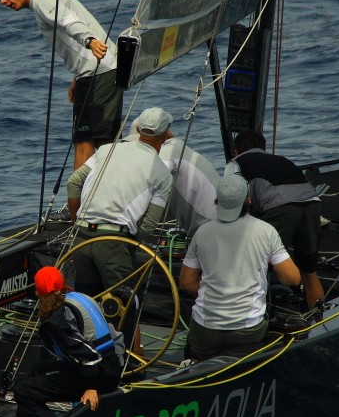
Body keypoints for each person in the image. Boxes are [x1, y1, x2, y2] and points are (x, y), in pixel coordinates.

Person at [0, 0, 124, 170]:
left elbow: (69, 21)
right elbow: (70, 39)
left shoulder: (43, 0)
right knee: (106, 142)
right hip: (99, 71)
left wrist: (90, 41)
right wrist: (76, 79)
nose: (3, 1)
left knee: (84, 142)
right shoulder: (44, 1)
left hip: (98, 73)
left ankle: (81, 202)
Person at [179, 173, 301, 363]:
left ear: (218, 201)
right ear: (248, 200)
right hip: (247, 329)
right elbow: (292, 278)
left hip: (205, 328)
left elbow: (186, 283)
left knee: (198, 362)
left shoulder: (201, 233)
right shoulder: (266, 231)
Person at [0, 266, 125, 417]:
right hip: (110, 364)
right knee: (37, 369)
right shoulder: (81, 298)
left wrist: (91, 387)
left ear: (37, 291)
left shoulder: (56, 322)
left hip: (96, 374)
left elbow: (88, 356)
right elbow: (112, 334)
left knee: (23, 391)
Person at [66, 107, 173, 299]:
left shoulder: (107, 149)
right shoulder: (163, 173)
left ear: (139, 129)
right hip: (114, 243)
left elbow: (74, 182)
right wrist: (128, 244)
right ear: (165, 135)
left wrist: (76, 222)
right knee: (123, 309)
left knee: (86, 306)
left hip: (81, 238)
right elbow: (148, 224)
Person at [228, 130, 325, 311]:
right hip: (312, 203)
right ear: (263, 147)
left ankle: (251, 315)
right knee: (309, 269)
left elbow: (234, 201)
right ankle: (318, 318)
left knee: (257, 263)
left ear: (236, 151)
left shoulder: (236, 164)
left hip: (280, 208)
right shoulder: (282, 159)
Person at [125, 111, 219, 236]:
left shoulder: (169, 150)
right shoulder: (177, 147)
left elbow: (150, 178)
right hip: (205, 221)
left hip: (208, 224)